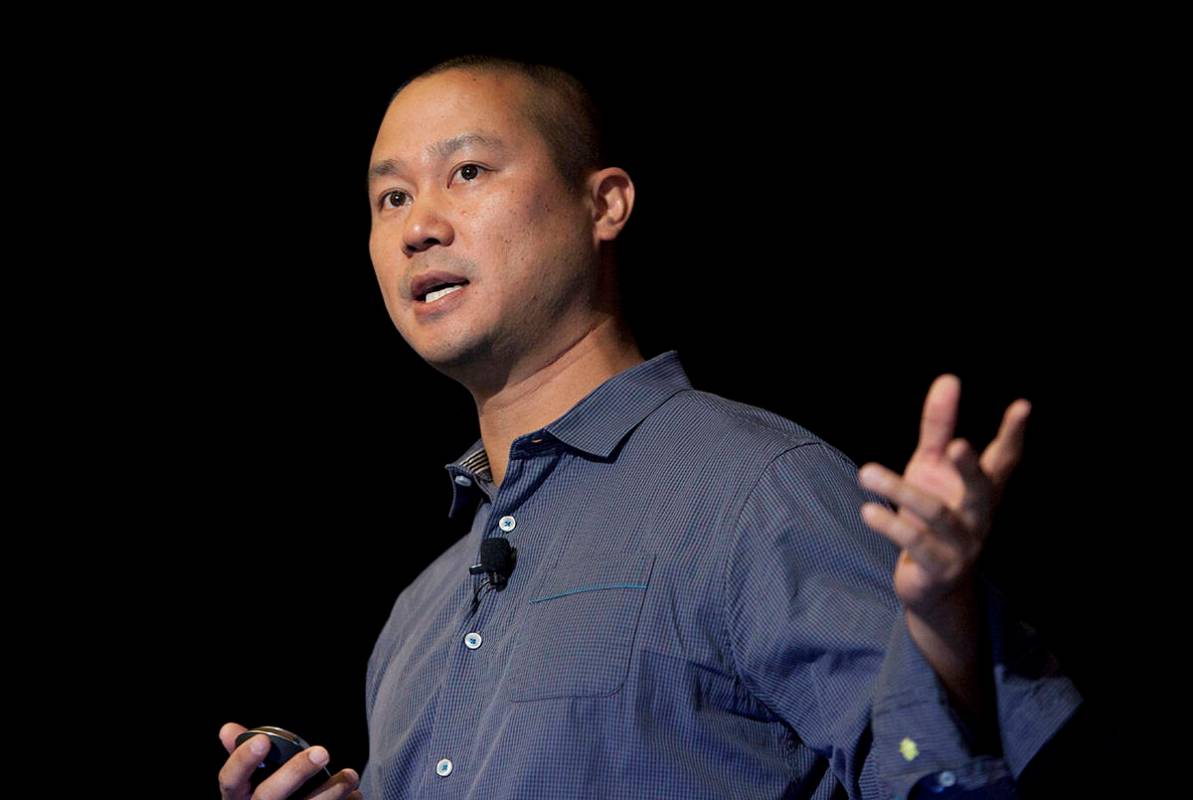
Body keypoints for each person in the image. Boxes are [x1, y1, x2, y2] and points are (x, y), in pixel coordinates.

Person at [218, 54, 1083, 799]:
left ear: (605, 205)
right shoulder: (417, 619)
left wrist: (943, 629)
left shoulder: (752, 487)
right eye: (391, 197)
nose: (419, 227)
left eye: (468, 172)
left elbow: (938, 777)